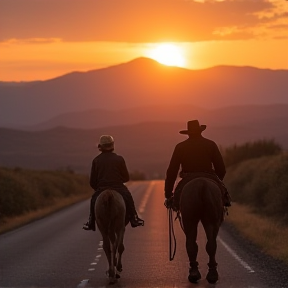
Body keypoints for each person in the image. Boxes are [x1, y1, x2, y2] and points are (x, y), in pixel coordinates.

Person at [164, 120, 231, 211]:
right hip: (209, 176)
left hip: (188, 178)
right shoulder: (211, 144)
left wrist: (168, 194)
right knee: (223, 196)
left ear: (188, 133)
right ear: (200, 131)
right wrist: (215, 182)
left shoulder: (180, 147)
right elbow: (221, 169)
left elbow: (172, 171)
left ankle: (176, 206)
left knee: (177, 200)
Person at [83, 135, 144, 231]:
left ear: (101, 146)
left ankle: (91, 221)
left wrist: (98, 188)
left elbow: (92, 181)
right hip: (118, 187)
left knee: (94, 199)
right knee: (128, 197)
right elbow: (126, 177)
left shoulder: (96, 160)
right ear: (112, 145)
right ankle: (134, 218)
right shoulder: (119, 159)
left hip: (101, 188)